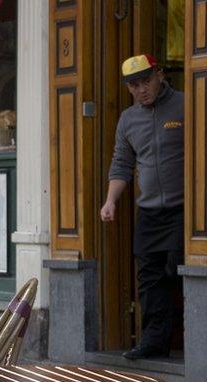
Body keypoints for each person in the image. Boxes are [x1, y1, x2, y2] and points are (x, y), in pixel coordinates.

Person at [101, 54, 184, 360]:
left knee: (176, 267)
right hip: (149, 211)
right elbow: (122, 163)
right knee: (149, 278)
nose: (141, 90)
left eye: (145, 81)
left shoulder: (186, 104)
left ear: (159, 75)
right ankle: (154, 342)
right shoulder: (128, 119)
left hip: (184, 210)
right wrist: (111, 201)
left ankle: (189, 338)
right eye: (133, 85)